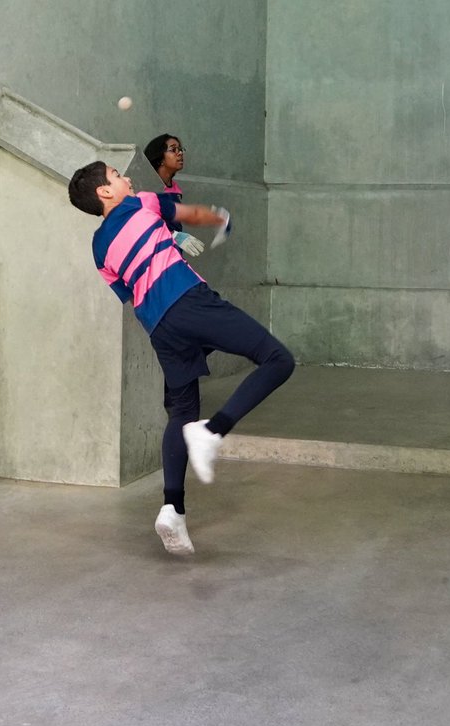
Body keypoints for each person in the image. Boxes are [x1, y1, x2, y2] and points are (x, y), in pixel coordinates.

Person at [67, 160, 295, 556]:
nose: (127, 179)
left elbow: (128, 293)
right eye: (117, 176)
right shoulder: (142, 202)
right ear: (105, 192)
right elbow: (192, 214)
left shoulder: (97, 248)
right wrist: (221, 218)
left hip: (158, 325)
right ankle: (214, 431)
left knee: (182, 411)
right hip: (189, 301)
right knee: (277, 359)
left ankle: (173, 509)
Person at [142, 133, 203, 258]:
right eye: (173, 149)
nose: (180, 153)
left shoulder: (176, 190)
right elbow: (142, 225)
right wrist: (172, 234)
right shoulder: (147, 189)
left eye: (180, 149)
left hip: (172, 256)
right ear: (160, 158)